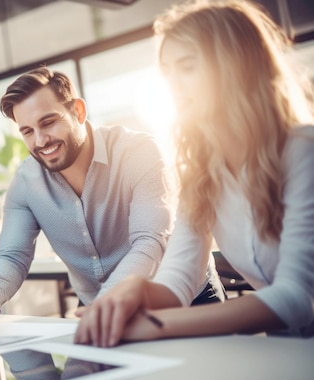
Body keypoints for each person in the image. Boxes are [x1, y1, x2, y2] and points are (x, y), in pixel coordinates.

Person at [74, 0, 314, 348]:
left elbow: (297, 297)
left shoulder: (302, 150)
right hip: (290, 354)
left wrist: (153, 326)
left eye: (187, 67)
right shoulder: (201, 172)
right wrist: (136, 291)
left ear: (235, 68)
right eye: (167, 72)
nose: (173, 84)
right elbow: (178, 283)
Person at [0, 66, 195, 323]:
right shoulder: (26, 181)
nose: (40, 141)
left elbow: (149, 242)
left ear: (78, 111)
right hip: (96, 310)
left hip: (177, 301)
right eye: (27, 131)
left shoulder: (138, 152)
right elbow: (13, 255)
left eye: (48, 122)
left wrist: (106, 302)